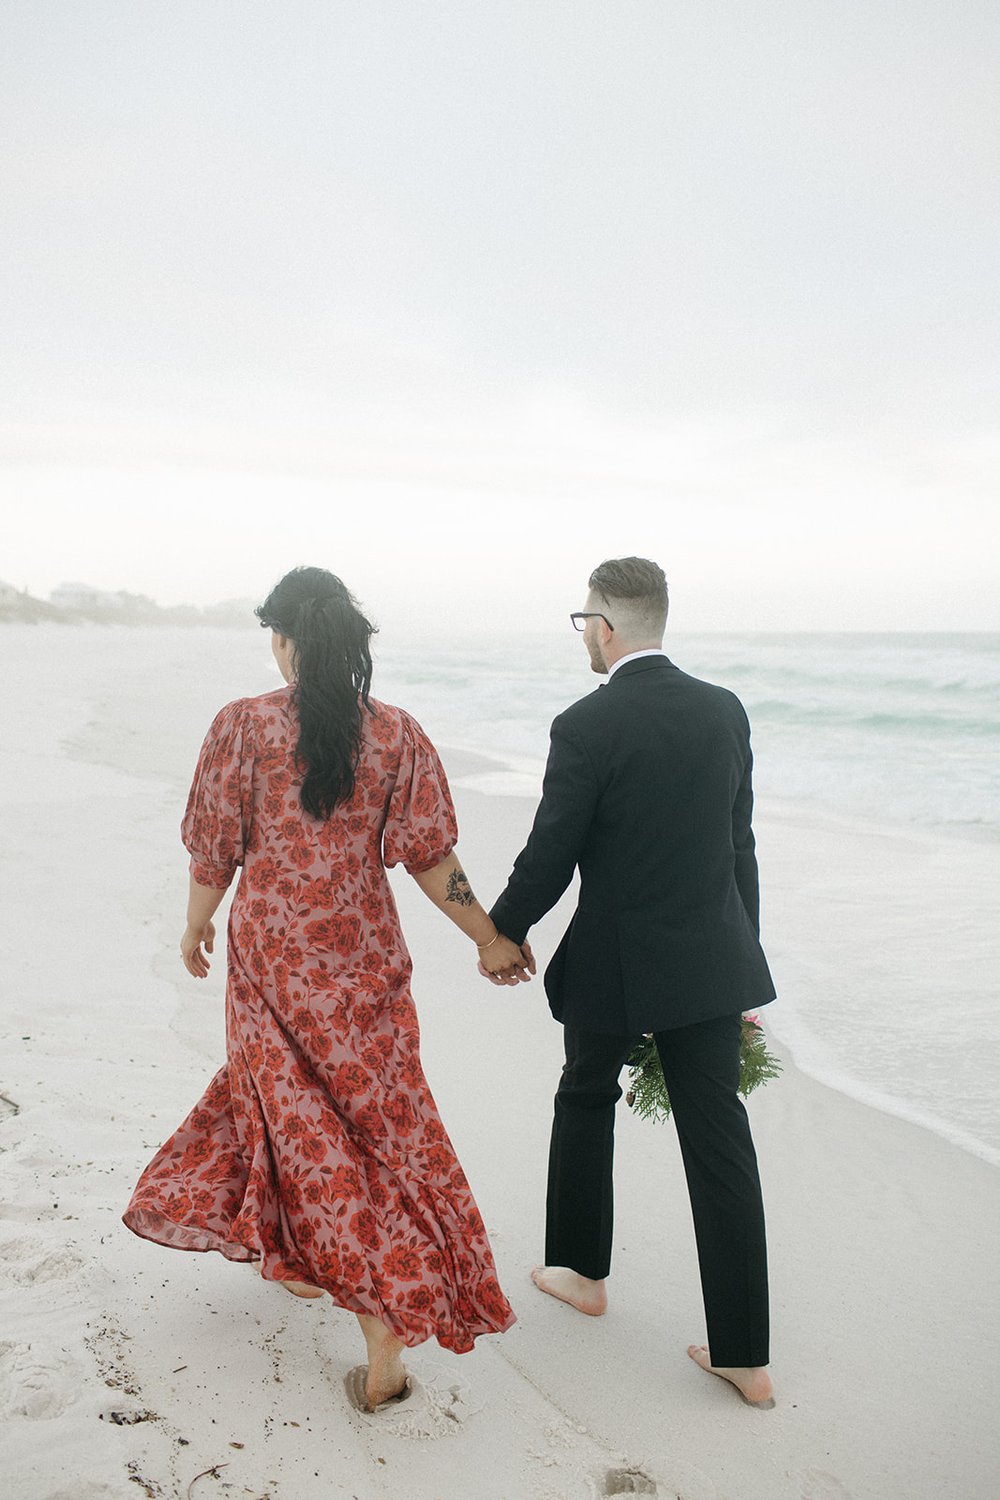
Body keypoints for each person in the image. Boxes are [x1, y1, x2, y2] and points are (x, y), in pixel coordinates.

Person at [123, 566, 527, 1412]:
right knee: (385, 1131)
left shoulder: (243, 726)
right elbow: (430, 858)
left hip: (274, 963)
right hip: (365, 965)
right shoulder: (399, 736)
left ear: (284, 640)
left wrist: (195, 924)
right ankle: (315, 1263)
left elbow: (214, 849)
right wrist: (488, 938)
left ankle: (371, 1309)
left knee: (296, 1124)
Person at [484, 556, 777, 1407]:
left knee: (584, 1094)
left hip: (616, 960)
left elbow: (553, 851)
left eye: (584, 622)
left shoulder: (586, 724)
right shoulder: (725, 711)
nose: (584, 635)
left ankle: (581, 1274)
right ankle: (746, 1358)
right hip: (711, 962)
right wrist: (742, 972)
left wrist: (501, 930)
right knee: (719, 1144)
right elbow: (739, 847)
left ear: (607, 628)